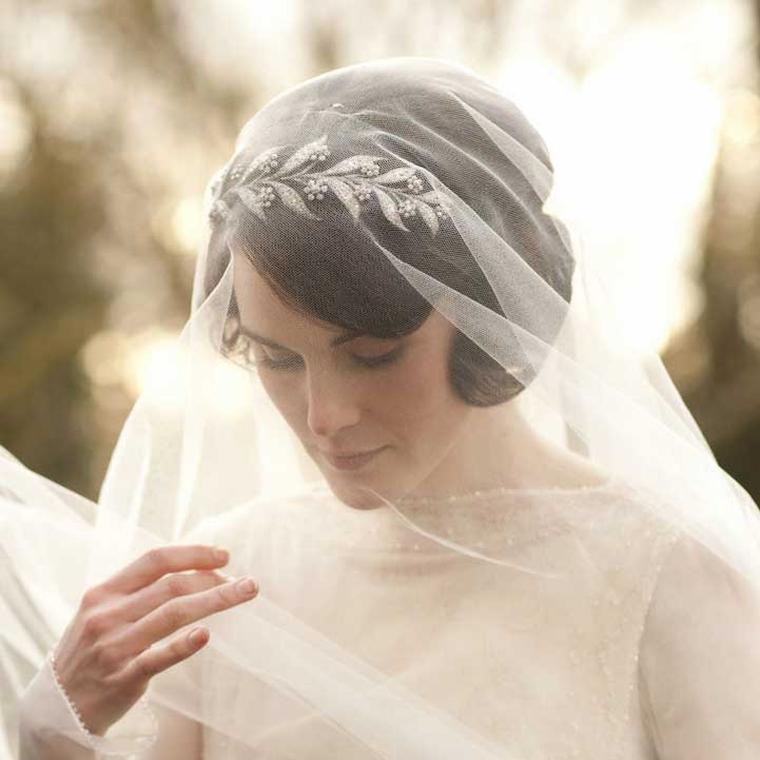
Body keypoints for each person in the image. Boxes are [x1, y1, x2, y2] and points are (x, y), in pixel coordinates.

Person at [4, 56, 760, 759]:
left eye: (371, 355)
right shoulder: (227, 586)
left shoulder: (669, 573)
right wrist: (53, 728)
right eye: (275, 358)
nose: (324, 416)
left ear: (489, 309)